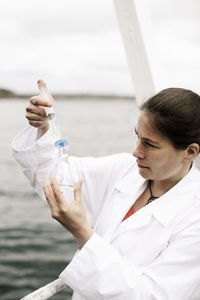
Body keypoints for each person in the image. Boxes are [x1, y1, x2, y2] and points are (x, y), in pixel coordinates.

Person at [12, 87, 200, 300]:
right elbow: (56, 178)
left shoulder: (195, 216)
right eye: (138, 137)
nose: (136, 152)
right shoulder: (125, 169)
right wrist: (44, 128)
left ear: (190, 152)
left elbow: (149, 295)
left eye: (150, 144)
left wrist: (83, 233)